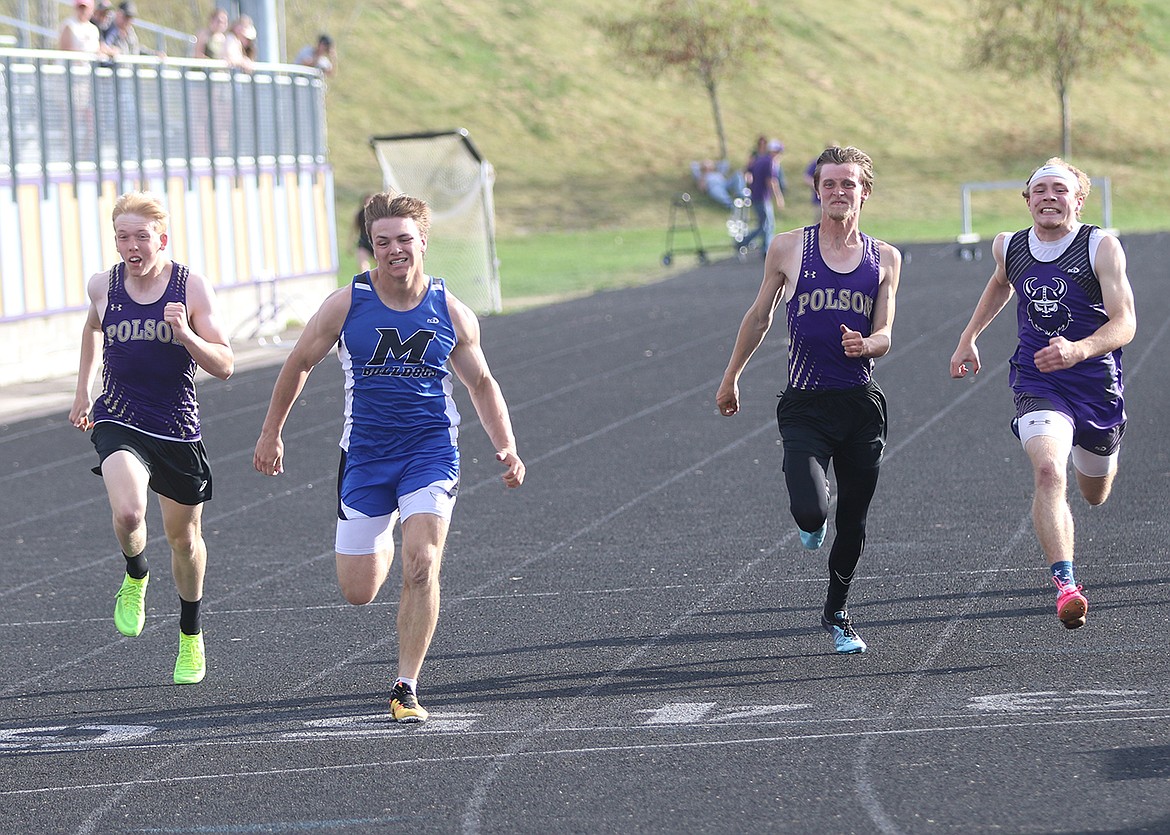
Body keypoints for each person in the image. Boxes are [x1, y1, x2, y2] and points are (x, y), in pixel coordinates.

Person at [253, 192, 525, 723]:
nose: (394, 250)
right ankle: (386, 521)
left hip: (430, 451)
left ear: (423, 241)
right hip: (365, 457)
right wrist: (271, 433)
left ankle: (406, 686)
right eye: (383, 242)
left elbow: (482, 382)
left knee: (421, 562)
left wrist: (506, 445)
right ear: (371, 246)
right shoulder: (345, 304)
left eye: (404, 239)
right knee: (358, 591)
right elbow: (299, 362)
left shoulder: (450, 310)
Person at [716, 146, 902, 655]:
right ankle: (811, 523)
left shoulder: (885, 258)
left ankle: (837, 611)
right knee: (810, 509)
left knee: (855, 520)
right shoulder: (788, 249)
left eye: (850, 184)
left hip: (861, 405)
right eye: (831, 183)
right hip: (804, 404)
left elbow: (885, 333)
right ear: (817, 189)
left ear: (865, 192)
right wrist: (732, 377)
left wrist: (866, 345)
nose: (839, 192)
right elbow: (759, 317)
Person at [949, 158, 1135, 630]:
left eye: (1060, 189)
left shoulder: (1100, 246)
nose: (1049, 196)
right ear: (1028, 200)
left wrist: (1078, 350)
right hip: (1039, 381)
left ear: (1078, 199)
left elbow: (1125, 322)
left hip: (1095, 386)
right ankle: (1066, 585)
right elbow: (999, 285)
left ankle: (1089, 451)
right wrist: (969, 335)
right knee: (1050, 471)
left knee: (1093, 492)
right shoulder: (1008, 246)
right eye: (1040, 190)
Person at [69, 191, 234, 685]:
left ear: (162, 238)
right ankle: (136, 574)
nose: (131, 245)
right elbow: (92, 329)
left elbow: (225, 365)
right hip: (119, 415)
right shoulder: (104, 285)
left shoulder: (190, 287)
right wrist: (83, 391)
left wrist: (186, 334)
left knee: (183, 540)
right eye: (123, 236)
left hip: (177, 428)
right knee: (129, 512)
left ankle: (190, 634)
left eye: (142, 236)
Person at [740, 139, 787, 255]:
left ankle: (763, 247)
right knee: (767, 224)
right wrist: (778, 198)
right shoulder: (770, 162)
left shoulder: (760, 159)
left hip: (756, 195)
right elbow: (771, 181)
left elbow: (747, 171)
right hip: (763, 196)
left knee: (764, 223)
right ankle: (761, 247)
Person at [354, 195, 374, 274]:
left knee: (382, 265)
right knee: (363, 264)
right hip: (364, 241)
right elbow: (354, 228)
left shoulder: (378, 216)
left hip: (375, 242)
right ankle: (366, 281)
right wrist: (350, 243)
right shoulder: (359, 214)